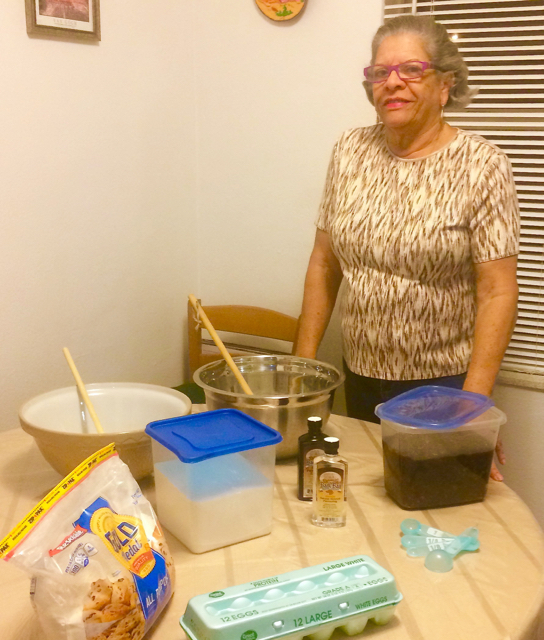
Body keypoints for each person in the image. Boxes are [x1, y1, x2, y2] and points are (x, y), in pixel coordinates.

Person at [294, 15, 520, 481]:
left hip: (442, 388)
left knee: (437, 506)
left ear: (444, 85)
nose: (393, 82)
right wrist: (303, 365)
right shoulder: (349, 151)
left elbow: (497, 291)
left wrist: (473, 402)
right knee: (365, 495)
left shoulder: (483, 164)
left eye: (412, 69)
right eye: (380, 72)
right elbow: (324, 263)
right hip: (359, 373)